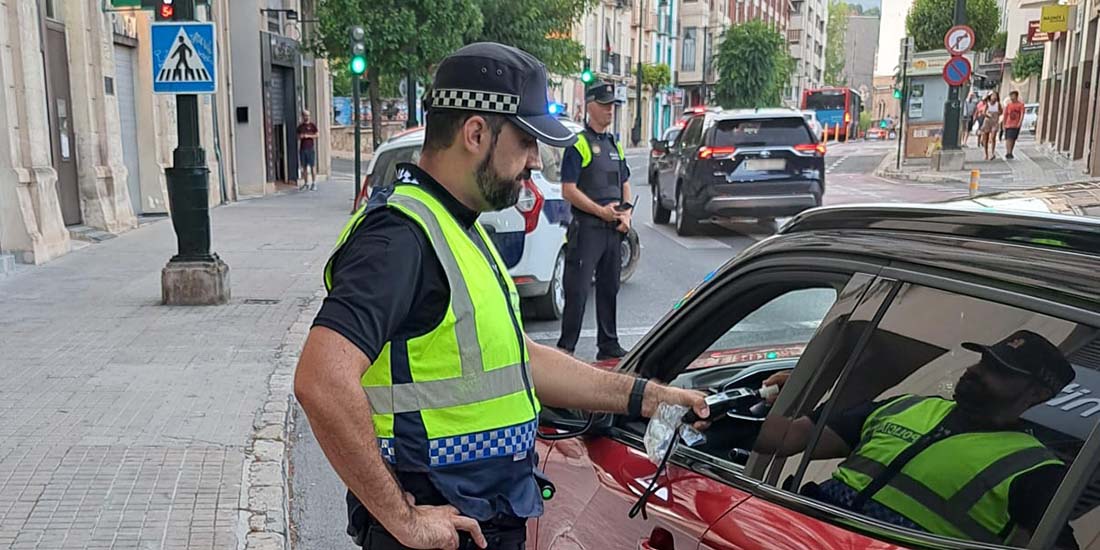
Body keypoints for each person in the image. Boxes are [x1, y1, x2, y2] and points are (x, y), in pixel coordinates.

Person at [293, 42, 709, 550]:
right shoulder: (398, 238)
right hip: (442, 530)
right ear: (475, 133)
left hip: (485, 520)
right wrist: (405, 519)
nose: (534, 160)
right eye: (526, 141)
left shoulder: (459, 227)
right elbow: (321, 380)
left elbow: (521, 358)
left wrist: (643, 396)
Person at [755, 330, 1078, 548]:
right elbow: (792, 437)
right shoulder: (910, 405)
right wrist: (722, 418)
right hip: (800, 534)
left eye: (1000, 371)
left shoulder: (1035, 469)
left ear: (1037, 394)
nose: (977, 371)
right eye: (984, 361)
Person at [556, 81, 632, 360]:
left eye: (612, 106)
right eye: (604, 106)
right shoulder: (578, 143)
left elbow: (625, 182)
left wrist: (627, 215)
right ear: (590, 107)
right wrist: (600, 211)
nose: (610, 111)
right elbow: (568, 189)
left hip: (613, 230)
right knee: (577, 291)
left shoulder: (614, 144)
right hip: (588, 230)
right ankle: (566, 350)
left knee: (609, 288)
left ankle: (608, 345)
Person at [297, 110, 319, 191]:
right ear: (303, 117)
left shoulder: (312, 126)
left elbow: (317, 135)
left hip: (310, 148)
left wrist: (308, 136)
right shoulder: (300, 127)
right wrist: (301, 136)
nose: (307, 117)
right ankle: (306, 183)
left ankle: (314, 183)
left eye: (308, 115)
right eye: (305, 115)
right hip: (303, 149)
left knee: (312, 166)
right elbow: (297, 137)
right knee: (304, 167)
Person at [1003, 91, 1026, 160]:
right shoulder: (1008, 105)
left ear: (1016, 96)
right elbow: (1005, 114)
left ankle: (1011, 152)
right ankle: (1008, 152)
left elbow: (1022, 114)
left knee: (1013, 139)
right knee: (1008, 138)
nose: (1011, 97)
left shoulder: (1020, 105)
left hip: (1015, 124)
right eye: (1010, 96)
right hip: (1008, 124)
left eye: (1012, 96)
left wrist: (1020, 122)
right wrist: (1004, 123)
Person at [982, 92, 1002, 160]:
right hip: (987, 121)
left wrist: (997, 114)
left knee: (993, 137)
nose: (994, 97)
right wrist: (988, 115)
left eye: (995, 95)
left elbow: (1001, 111)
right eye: (993, 95)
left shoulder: (998, 104)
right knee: (986, 138)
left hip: (995, 122)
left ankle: (992, 153)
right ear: (990, 96)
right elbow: (983, 113)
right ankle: (986, 154)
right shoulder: (987, 104)